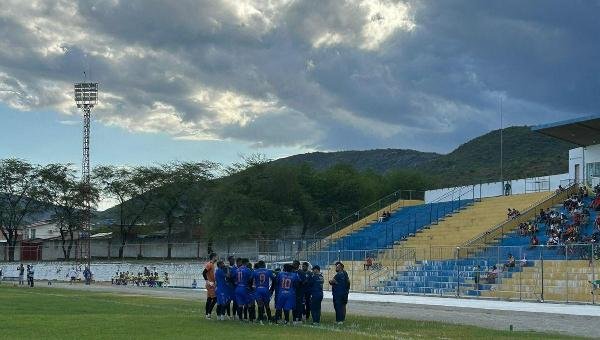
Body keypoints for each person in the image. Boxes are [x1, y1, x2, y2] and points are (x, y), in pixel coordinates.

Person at [203, 253, 218, 319]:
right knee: (215, 299)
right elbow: (204, 272)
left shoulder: (212, 264)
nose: (217, 258)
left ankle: (207, 315)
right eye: (216, 257)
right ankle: (209, 313)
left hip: (211, 284)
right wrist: (207, 281)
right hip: (211, 284)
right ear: (213, 257)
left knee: (209, 299)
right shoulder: (209, 264)